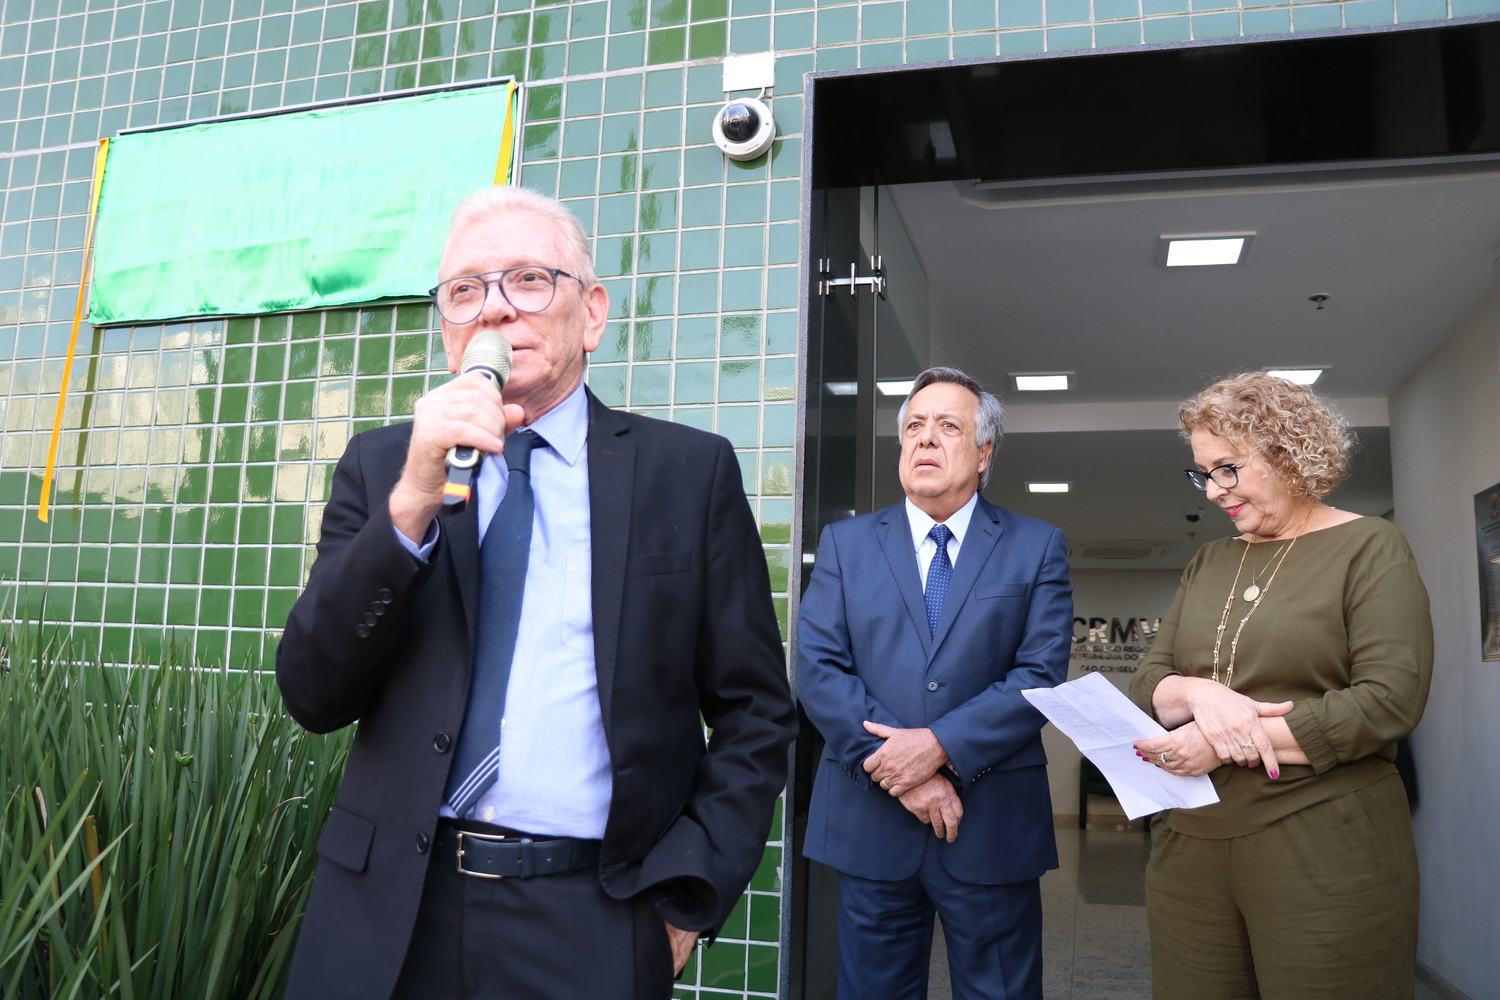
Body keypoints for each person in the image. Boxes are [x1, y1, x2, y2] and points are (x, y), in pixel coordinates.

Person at [275, 185, 797, 1000]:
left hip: (592, 913)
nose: (493, 312)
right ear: (448, 332)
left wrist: (686, 899)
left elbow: (756, 711)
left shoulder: (686, 473)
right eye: (464, 291)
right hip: (390, 914)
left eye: (525, 280)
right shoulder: (384, 467)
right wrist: (410, 506)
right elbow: (312, 691)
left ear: (590, 314)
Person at [1131, 371, 1433, 1000]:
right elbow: (1148, 684)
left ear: (1285, 452)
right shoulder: (1208, 561)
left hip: (1325, 844)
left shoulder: (1371, 547)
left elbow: (1389, 700)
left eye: (1227, 469)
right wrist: (1200, 696)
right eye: (1202, 473)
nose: (1213, 491)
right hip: (1190, 847)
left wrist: (1221, 742)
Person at [796, 366, 1074, 1000]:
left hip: (992, 824)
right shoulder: (845, 544)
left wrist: (938, 747)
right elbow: (818, 667)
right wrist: (899, 767)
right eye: (914, 427)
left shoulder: (1036, 546)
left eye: (948, 426)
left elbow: (1038, 675)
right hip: (872, 824)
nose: (926, 439)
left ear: (983, 453)